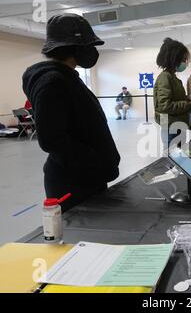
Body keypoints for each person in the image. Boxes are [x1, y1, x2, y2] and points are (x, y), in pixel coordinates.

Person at [22, 13, 120, 212]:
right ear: (74, 47)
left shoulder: (65, 78)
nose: (91, 51)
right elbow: (51, 139)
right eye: (87, 45)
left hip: (85, 177)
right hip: (74, 182)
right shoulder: (52, 82)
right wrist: (93, 160)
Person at [153, 37, 191, 149]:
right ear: (174, 59)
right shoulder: (165, 77)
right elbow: (165, 106)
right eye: (183, 59)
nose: (184, 63)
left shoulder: (173, 78)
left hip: (177, 125)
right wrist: (188, 105)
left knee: (180, 158)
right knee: (174, 159)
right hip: (171, 127)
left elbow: (175, 99)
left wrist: (187, 99)